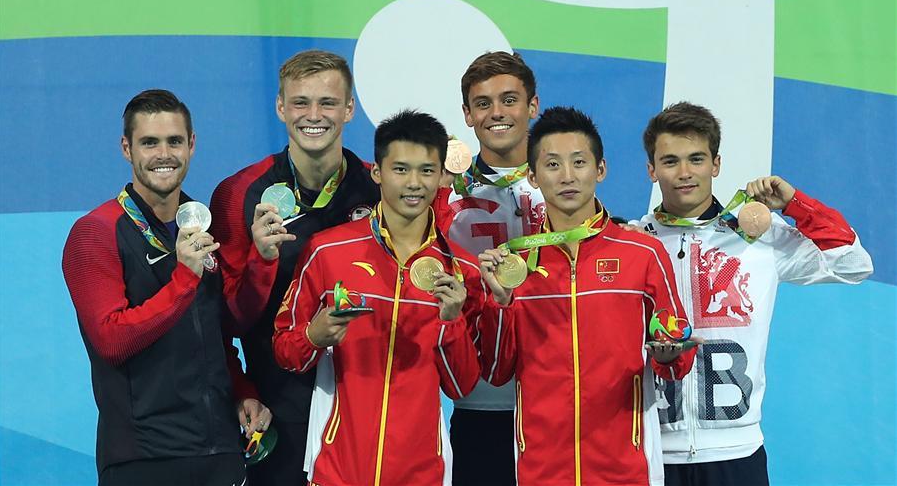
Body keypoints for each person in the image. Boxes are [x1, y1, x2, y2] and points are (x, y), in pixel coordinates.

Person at [638, 101, 874, 486]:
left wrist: (796, 204)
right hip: (654, 453)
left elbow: (854, 264)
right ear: (651, 169)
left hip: (738, 452)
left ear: (716, 164)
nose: (684, 173)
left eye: (696, 159)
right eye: (670, 161)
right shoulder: (633, 244)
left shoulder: (758, 236)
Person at [62, 89, 270, 486]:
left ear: (192, 145)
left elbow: (214, 333)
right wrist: (184, 279)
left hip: (220, 452)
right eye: (149, 142)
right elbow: (111, 339)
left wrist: (241, 391)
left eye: (174, 141)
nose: (164, 154)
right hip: (144, 459)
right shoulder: (95, 233)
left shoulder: (203, 226)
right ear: (126, 148)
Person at [478, 106, 695, 486]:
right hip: (542, 471)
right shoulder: (514, 264)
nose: (567, 177)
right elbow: (497, 370)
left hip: (626, 469)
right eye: (552, 165)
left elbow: (675, 356)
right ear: (532, 175)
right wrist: (500, 303)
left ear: (600, 170)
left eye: (579, 162)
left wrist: (671, 354)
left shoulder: (642, 253)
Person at [273, 110, 484, 486]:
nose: (414, 183)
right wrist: (314, 337)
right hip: (337, 470)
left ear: (440, 177)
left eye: (426, 170)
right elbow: (285, 350)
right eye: (400, 169)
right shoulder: (327, 251)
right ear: (377, 172)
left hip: (423, 474)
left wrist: (451, 323)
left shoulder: (458, 271)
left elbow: (461, 386)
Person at [210, 50, 380, 485]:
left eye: (327, 102)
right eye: (301, 102)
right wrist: (260, 262)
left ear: (349, 108)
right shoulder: (239, 193)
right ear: (281, 107)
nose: (314, 115)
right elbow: (224, 321)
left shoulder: (378, 189)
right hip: (278, 408)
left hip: (368, 401)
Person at [432, 51, 544, 485]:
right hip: (478, 401)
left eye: (509, 99)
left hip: (554, 399)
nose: (497, 113)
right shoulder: (441, 196)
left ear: (532, 106)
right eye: (483, 103)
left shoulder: (564, 185)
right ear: (467, 114)